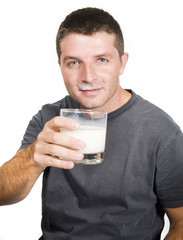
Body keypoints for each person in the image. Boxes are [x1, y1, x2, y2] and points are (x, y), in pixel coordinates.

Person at [0, 7, 183, 240]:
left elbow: (181, 222)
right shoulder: (49, 119)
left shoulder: (161, 131)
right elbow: (3, 194)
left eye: (102, 60)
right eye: (74, 62)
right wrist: (32, 157)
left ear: (122, 63)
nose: (88, 76)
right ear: (61, 67)